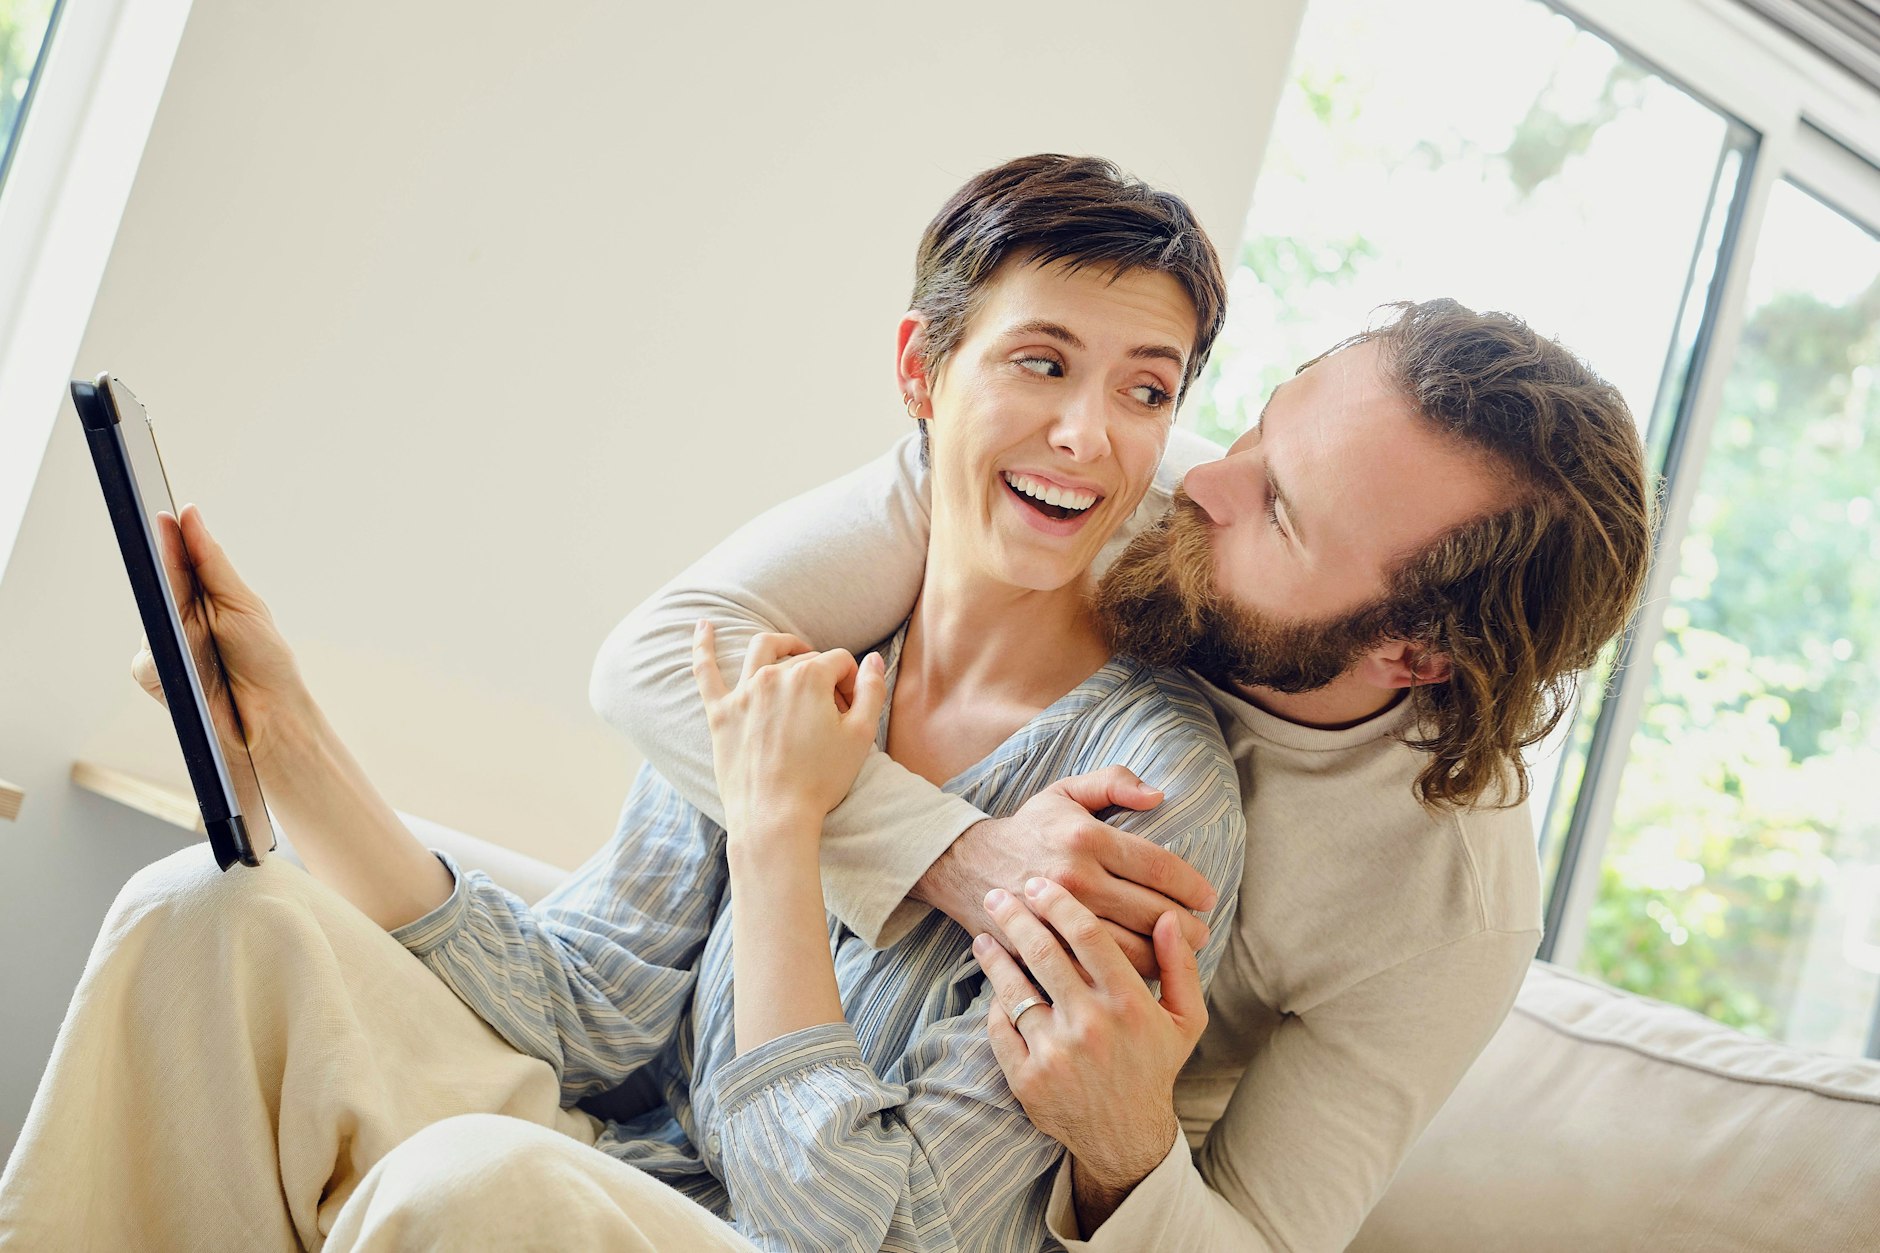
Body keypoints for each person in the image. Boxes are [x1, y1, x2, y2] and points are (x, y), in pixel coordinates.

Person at [0, 154, 1245, 1252]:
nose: (1088, 434)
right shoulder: (799, 656)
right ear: (922, 368)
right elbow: (590, 1007)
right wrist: (289, 737)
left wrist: (777, 840)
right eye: (1041, 362)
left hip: (780, 1235)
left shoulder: (1147, 789)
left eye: (1145, 390)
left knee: (478, 1185)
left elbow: (877, 1231)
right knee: (200, 916)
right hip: (618, 1168)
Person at [595, 297, 1655, 1249]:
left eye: (1279, 510)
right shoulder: (1081, 480)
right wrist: (964, 860)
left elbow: (1264, 1237)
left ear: (1415, 654)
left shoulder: (1446, 905)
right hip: (735, 1070)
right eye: (1257, 426)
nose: (1196, 478)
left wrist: (1124, 1145)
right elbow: (654, 662)